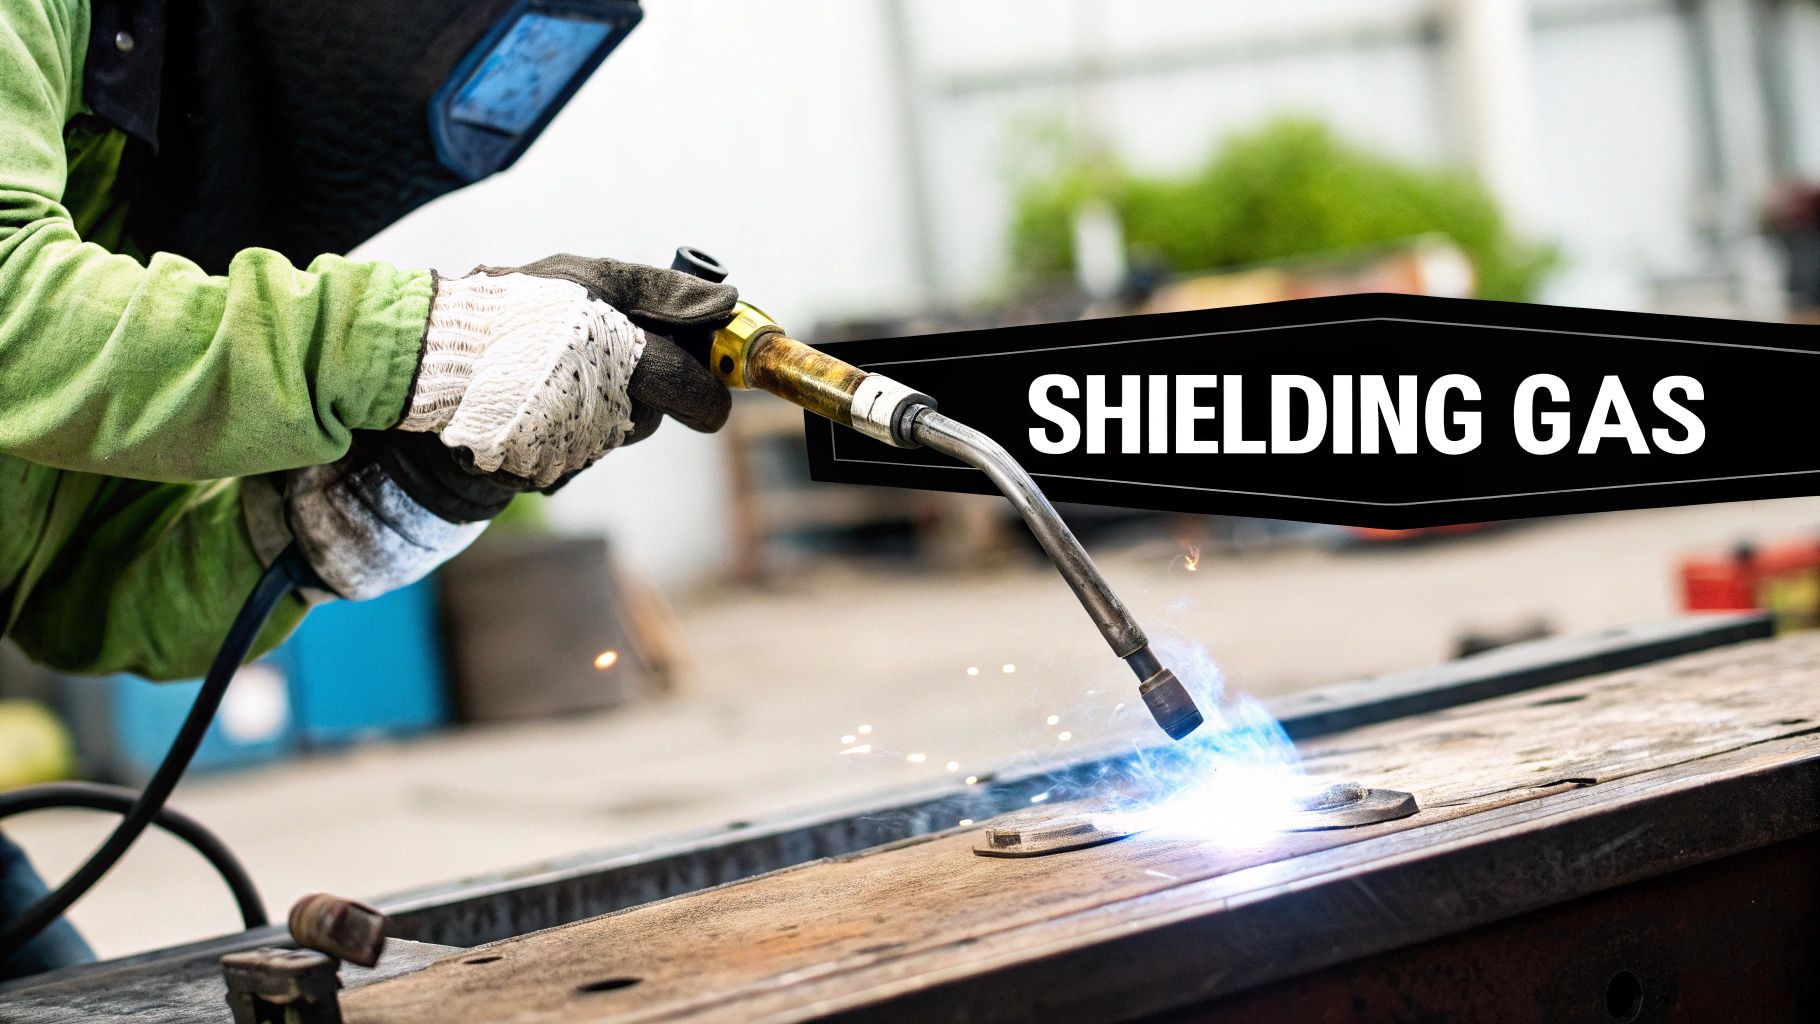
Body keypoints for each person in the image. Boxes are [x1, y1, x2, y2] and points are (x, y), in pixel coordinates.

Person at [0, 0, 727, 979]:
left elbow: (88, 589)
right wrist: (423, 344)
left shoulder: (167, 142)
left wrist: (373, 506)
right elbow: (12, 316)